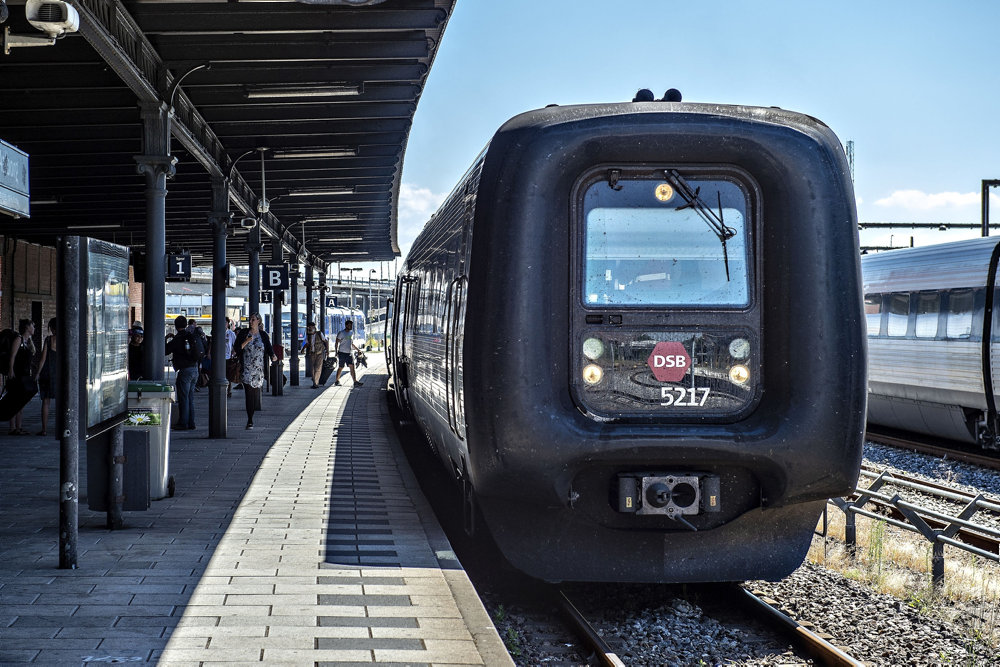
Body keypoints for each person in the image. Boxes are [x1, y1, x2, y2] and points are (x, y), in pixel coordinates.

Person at [236, 312, 275, 429]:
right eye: (250, 319)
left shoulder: (263, 335)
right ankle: (250, 420)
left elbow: (268, 347)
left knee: (254, 395)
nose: (251, 321)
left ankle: (251, 417)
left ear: (259, 321)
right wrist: (247, 340)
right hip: (246, 368)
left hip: (258, 369)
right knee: (248, 394)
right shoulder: (244, 333)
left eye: (253, 319)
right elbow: (237, 348)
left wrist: (273, 355)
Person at [164, 315, 199, 431]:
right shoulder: (190, 336)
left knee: (183, 398)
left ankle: (183, 422)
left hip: (185, 371)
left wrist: (166, 338)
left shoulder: (177, 339)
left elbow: (165, 350)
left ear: (175, 326)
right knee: (190, 397)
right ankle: (191, 422)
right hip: (195, 369)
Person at [6, 319, 36, 435]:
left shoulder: (28, 341)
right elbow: (12, 356)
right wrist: (10, 370)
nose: (34, 329)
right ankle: (12, 428)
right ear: (27, 327)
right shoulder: (18, 339)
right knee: (14, 400)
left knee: (21, 402)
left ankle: (19, 427)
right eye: (32, 326)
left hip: (24, 375)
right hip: (17, 374)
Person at [34, 318, 58, 436]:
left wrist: (38, 373)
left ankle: (44, 430)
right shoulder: (66, 340)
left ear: (53, 328)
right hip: (59, 374)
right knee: (63, 402)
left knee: (46, 402)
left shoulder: (48, 340)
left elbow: (42, 359)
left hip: (47, 373)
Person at [333, 319, 364, 387]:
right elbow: (336, 342)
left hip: (349, 353)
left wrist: (358, 350)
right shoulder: (341, 333)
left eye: (351, 325)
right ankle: (337, 380)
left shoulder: (351, 333)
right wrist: (336, 352)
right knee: (341, 367)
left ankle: (355, 381)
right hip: (342, 353)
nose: (350, 327)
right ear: (346, 325)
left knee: (352, 367)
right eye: (349, 325)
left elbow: (351, 343)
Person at [301, 321, 328, 389]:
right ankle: (315, 381)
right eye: (308, 327)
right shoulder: (308, 335)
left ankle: (316, 383)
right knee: (312, 368)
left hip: (319, 353)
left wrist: (327, 350)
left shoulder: (319, 334)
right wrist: (303, 349)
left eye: (310, 327)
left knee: (318, 368)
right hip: (312, 353)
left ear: (314, 327)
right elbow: (307, 343)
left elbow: (325, 341)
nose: (309, 328)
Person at [225, 317, 237, 398]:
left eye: (225, 322)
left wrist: (233, 354)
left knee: (228, 375)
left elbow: (235, 345)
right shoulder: (217, 333)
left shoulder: (231, 334)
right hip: (219, 358)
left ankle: (228, 391)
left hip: (228, 357)